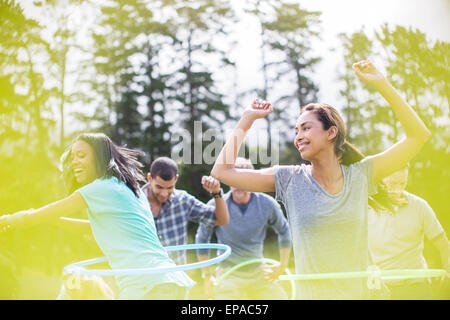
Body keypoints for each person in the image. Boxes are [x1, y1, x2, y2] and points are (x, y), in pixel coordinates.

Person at [210, 60, 431, 299]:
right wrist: (247, 119)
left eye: (306, 128)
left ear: (331, 132)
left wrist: (382, 84)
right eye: (296, 131)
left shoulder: (361, 174)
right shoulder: (289, 179)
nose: (299, 137)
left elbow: (418, 136)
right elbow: (221, 171)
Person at [0, 133, 195, 300]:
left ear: (100, 157)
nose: (74, 161)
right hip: (167, 280)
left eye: (81, 155)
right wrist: (46, 218)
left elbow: (53, 209)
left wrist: (12, 219)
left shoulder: (102, 187)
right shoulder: (126, 189)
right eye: (72, 157)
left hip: (148, 284)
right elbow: (91, 227)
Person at [195, 157, 291, 299]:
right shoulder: (215, 205)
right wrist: (207, 276)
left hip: (258, 271)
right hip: (228, 272)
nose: (238, 185)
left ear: (251, 180)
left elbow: (284, 230)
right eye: (234, 180)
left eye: (242, 180)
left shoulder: (267, 204)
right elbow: (202, 239)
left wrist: (282, 264)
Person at [368, 165, 450, 299]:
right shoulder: (366, 207)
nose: (398, 189)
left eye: (402, 183)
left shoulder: (420, 206)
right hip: (380, 290)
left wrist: (449, 269)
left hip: (416, 287)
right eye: (393, 183)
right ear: (382, 179)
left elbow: (444, 245)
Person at [141, 157, 229, 265]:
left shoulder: (183, 201)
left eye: (169, 188)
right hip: (145, 277)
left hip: (176, 277)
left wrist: (216, 192)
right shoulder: (135, 202)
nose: (164, 193)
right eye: (159, 187)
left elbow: (222, 220)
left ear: (176, 179)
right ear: (150, 178)